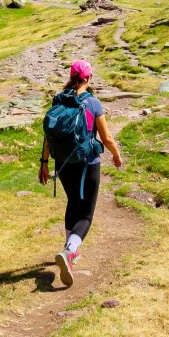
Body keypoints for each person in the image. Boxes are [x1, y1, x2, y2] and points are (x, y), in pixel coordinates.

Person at [39, 59, 122, 286]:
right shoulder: (92, 103)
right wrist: (115, 154)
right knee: (85, 214)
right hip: (88, 163)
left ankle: (69, 252)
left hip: (63, 164)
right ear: (88, 78)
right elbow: (106, 138)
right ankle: (69, 252)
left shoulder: (59, 100)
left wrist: (44, 163)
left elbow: (49, 135)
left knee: (73, 202)